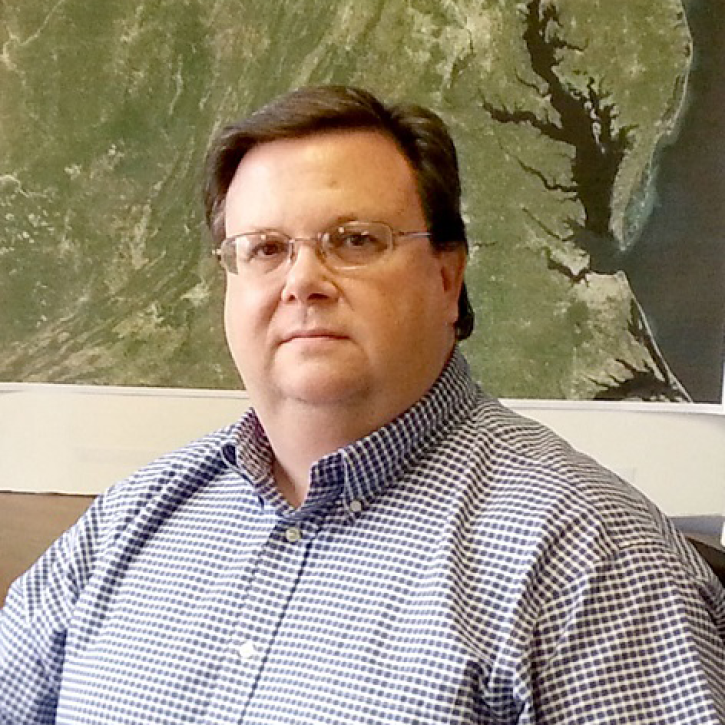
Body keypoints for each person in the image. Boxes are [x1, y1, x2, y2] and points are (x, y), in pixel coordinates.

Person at [1, 85, 723, 724]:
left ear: (447, 277)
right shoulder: (129, 522)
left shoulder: (590, 557)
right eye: (264, 249)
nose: (302, 281)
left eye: (353, 240)